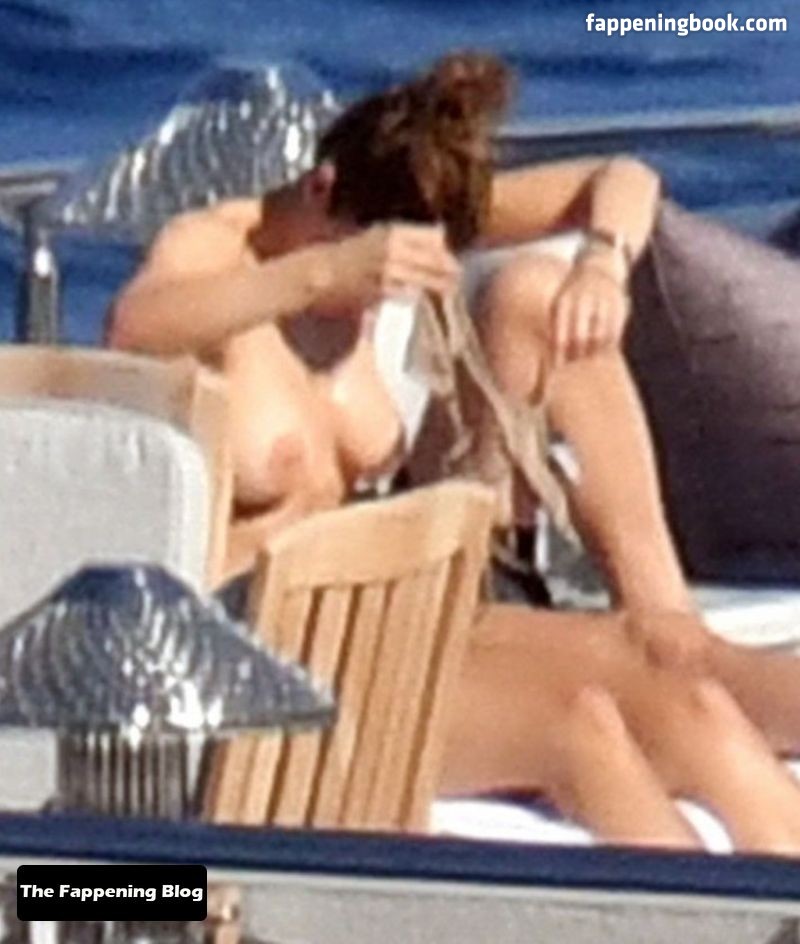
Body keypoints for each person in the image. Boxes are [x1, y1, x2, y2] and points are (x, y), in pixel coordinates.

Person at [109, 52, 800, 853]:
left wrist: (602, 264)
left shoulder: (397, 218)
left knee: (675, 682)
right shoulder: (216, 249)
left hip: (387, 615)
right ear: (322, 190)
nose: (380, 302)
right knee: (578, 728)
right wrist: (324, 273)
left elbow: (620, 179)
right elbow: (134, 327)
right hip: (264, 653)